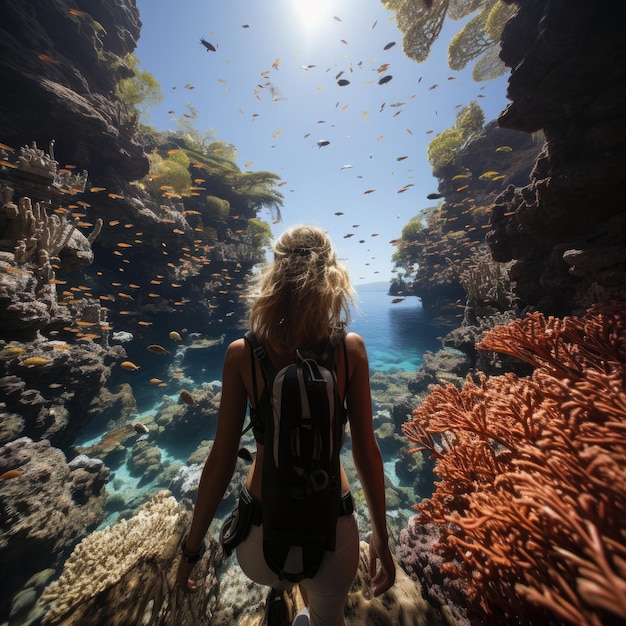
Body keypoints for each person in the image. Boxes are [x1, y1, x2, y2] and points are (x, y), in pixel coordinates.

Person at [176, 225, 396, 625]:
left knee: (277, 578)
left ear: (274, 274)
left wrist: (191, 552)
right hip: (334, 532)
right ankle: (310, 614)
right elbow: (367, 452)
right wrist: (380, 535)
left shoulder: (242, 353)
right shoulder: (351, 350)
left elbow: (220, 461)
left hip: (259, 542)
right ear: (333, 275)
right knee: (327, 614)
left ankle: (282, 594)